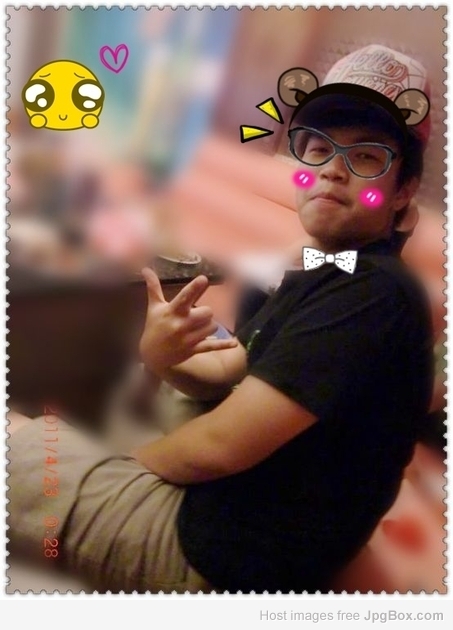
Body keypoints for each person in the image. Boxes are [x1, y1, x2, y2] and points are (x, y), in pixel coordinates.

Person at [8, 45, 436, 594]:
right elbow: (237, 366)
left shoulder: (372, 292)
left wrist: (122, 469)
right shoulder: (319, 269)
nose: (332, 169)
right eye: (317, 150)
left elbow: (219, 448)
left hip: (217, 550)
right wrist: (162, 357)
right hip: (231, 517)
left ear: (403, 191)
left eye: (368, 157)